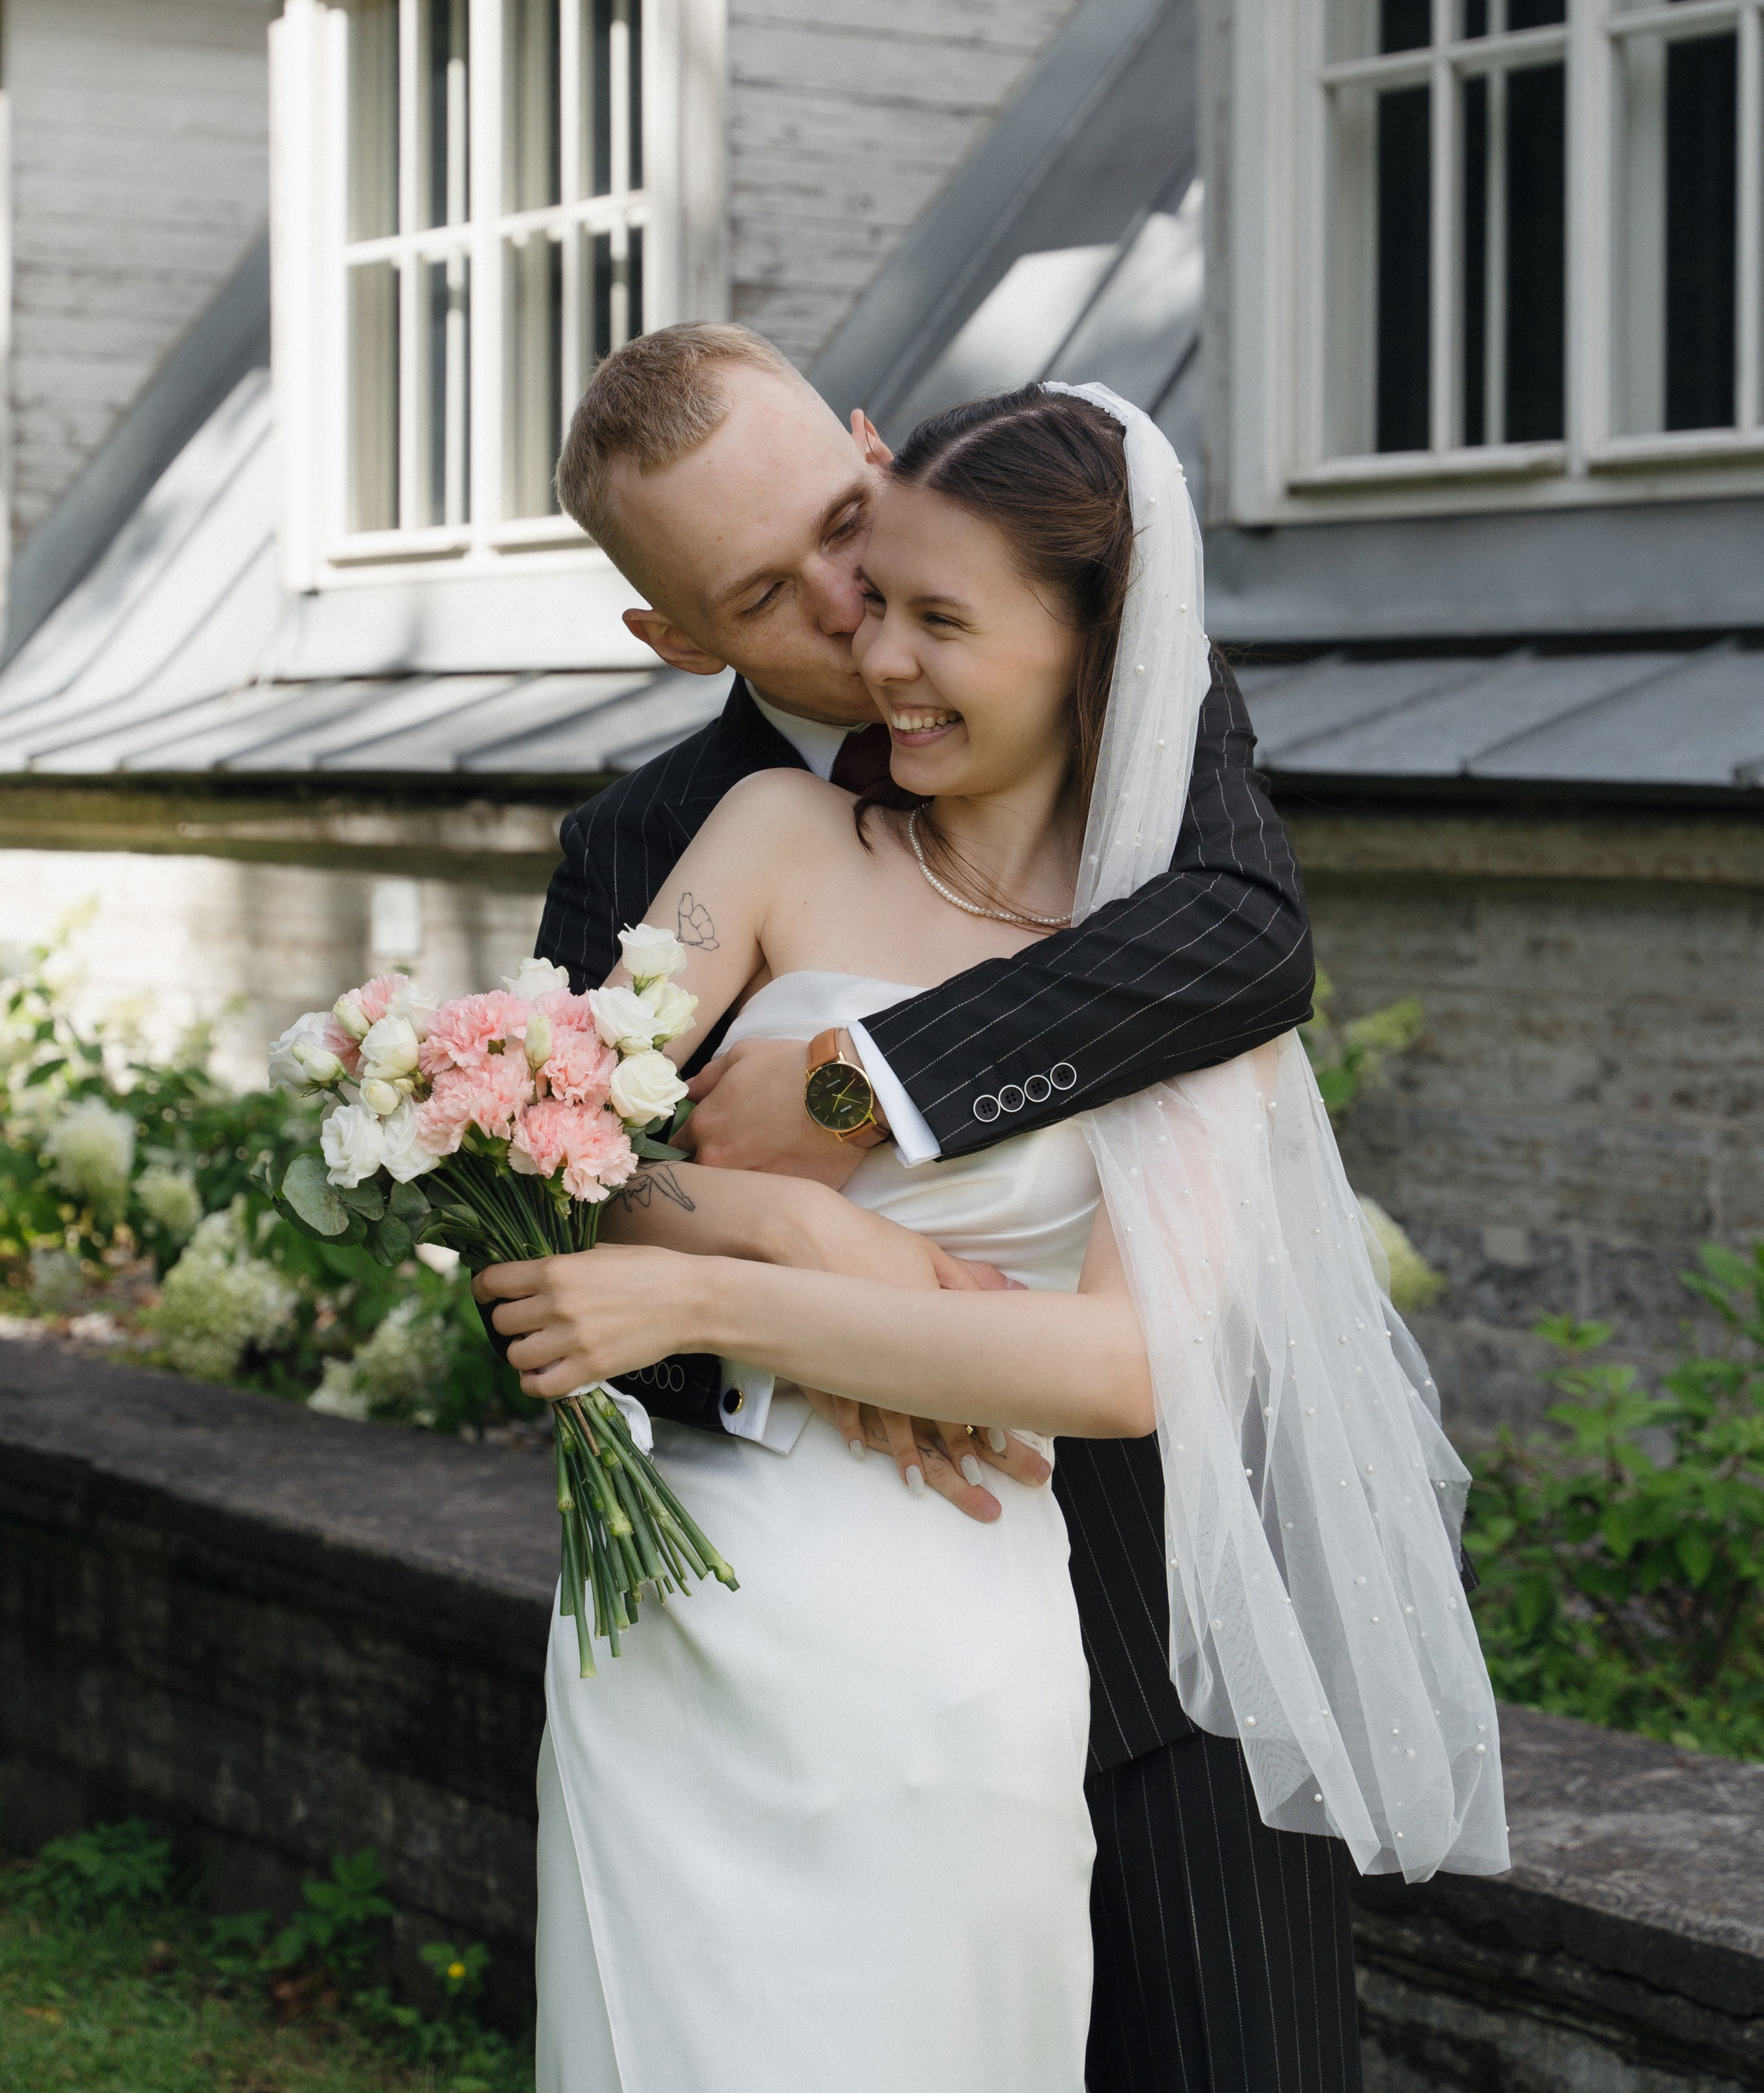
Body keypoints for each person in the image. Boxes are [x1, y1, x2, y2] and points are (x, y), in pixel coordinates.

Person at [486, 359, 1507, 2091]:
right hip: (780, 1601)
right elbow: (533, 1189)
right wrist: (790, 1250)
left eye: (853, 537)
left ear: (872, 457)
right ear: (674, 638)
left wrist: (857, 1090)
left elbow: (1241, 950)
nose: (856, 619)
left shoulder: (1136, 747)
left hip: (1171, 1620)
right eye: (767, 595)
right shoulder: (682, 838)